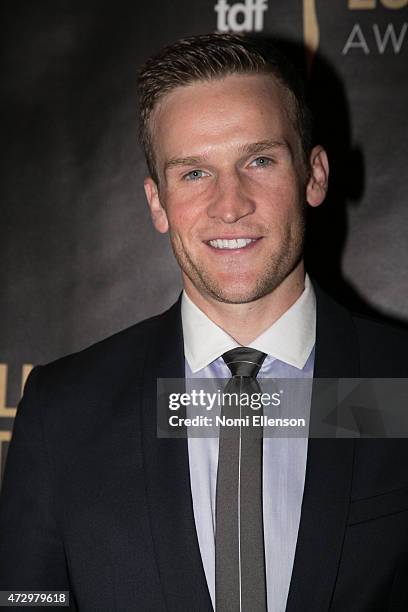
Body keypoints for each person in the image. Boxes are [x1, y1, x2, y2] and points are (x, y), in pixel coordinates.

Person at [1, 32, 408, 612]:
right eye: (194, 173)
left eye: (259, 160)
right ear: (157, 202)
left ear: (314, 175)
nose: (230, 203)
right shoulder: (63, 412)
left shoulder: (399, 387)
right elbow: (25, 600)